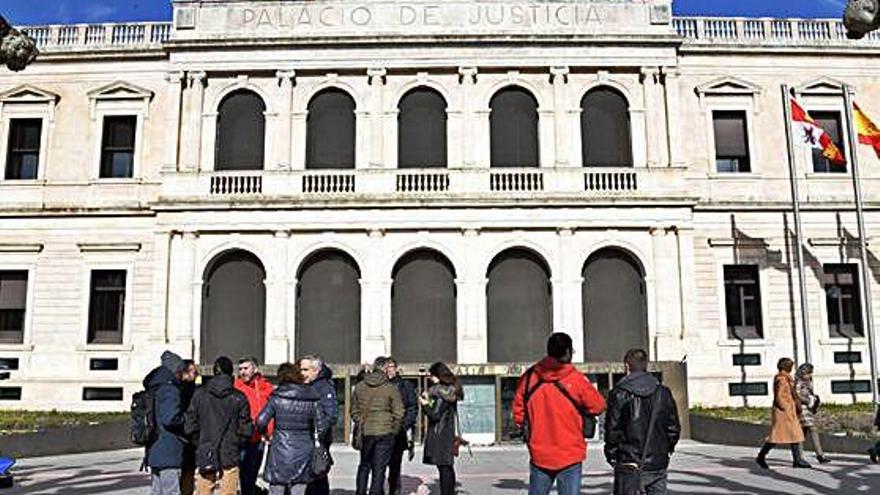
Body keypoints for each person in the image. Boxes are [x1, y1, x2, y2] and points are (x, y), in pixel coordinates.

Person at [513, 332, 607, 495]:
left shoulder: (529, 378)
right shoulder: (576, 380)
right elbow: (598, 406)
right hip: (570, 453)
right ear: (568, 352)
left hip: (539, 453)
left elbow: (518, 412)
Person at [604, 349, 681, 495]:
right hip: (657, 463)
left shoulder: (619, 393)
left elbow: (612, 429)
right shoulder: (663, 392)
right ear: (646, 365)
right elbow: (673, 428)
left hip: (629, 462)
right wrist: (666, 450)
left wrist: (612, 455)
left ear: (627, 366)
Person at [257, 361, 328, 495]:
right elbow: (322, 425)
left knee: (277, 488)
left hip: (279, 450)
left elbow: (260, 421)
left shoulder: (276, 397)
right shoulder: (312, 397)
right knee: (299, 490)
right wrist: (315, 439)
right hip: (304, 449)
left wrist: (265, 434)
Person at [185, 357, 255, 495]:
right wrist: (237, 442)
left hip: (206, 447)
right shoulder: (239, 397)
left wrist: (198, 441)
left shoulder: (199, 394)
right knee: (229, 490)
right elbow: (246, 427)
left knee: (203, 489)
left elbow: (190, 423)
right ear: (231, 374)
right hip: (230, 449)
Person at [351, 358, 405, 495]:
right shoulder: (390, 388)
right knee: (379, 468)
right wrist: (394, 430)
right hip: (385, 432)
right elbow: (399, 412)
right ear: (385, 370)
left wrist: (360, 421)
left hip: (366, 431)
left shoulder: (360, 386)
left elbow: (353, 410)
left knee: (364, 466)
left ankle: (360, 492)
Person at [144, 350, 189, 495]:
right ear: (175, 370)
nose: (182, 374)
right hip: (169, 449)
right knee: (171, 491)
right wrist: (186, 420)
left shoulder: (155, 387)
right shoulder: (170, 389)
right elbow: (170, 418)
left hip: (154, 446)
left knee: (157, 491)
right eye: (181, 371)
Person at [756, 357, 810, 469]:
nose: (791, 368)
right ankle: (761, 457)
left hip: (788, 411)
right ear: (786, 367)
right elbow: (779, 396)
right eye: (790, 366)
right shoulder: (781, 379)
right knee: (776, 437)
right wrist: (786, 407)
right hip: (783, 412)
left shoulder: (786, 378)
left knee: (794, 434)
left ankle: (797, 459)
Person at [418, 362, 464, 495]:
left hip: (440, 434)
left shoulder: (441, 393)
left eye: (431, 376)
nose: (430, 378)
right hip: (447, 432)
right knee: (447, 467)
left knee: (444, 468)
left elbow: (435, 415)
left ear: (438, 376)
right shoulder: (449, 391)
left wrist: (425, 404)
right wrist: (430, 401)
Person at [234, 357, 274, 495]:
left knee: (252, 473)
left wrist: (269, 432)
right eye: (240, 369)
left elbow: (271, 411)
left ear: (255, 369)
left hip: (259, 437)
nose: (242, 372)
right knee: (243, 474)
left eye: (246, 368)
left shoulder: (265, 387)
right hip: (241, 437)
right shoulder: (236, 387)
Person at [302, 355, 338, 495]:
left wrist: (317, 434)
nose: (302, 373)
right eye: (301, 369)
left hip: (318, 440)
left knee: (318, 474)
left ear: (316, 370)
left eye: (306, 370)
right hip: (307, 439)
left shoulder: (323, 387)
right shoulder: (308, 385)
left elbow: (331, 415)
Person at [383, 357, 419, 495]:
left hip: (398, 432)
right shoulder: (380, 384)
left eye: (391, 366)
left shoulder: (405, 385)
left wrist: (404, 425)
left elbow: (412, 407)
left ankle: (395, 490)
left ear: (396, 368)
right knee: (379, 465)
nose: (388, 369)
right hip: (380, 431)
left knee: (395, 465)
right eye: (386, 366)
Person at [795, 363, 830, 464]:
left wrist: (814, 399)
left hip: (808, 410)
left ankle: (801, 456)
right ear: (803, 373)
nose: (810, 375)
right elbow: (797, 395)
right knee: (812, 429)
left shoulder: (808, 381)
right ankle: (819, 455)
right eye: (808, 373)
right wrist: (808, 400)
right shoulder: (799, 382)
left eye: (811, 373)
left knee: (803, 433)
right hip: (802, 409)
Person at [180, 360, 200, 495]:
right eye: (194, 371)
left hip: (191, 438)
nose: (196, 374)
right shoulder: (179, 391)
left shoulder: (196, 390)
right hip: (182, 437)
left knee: (189, 472)